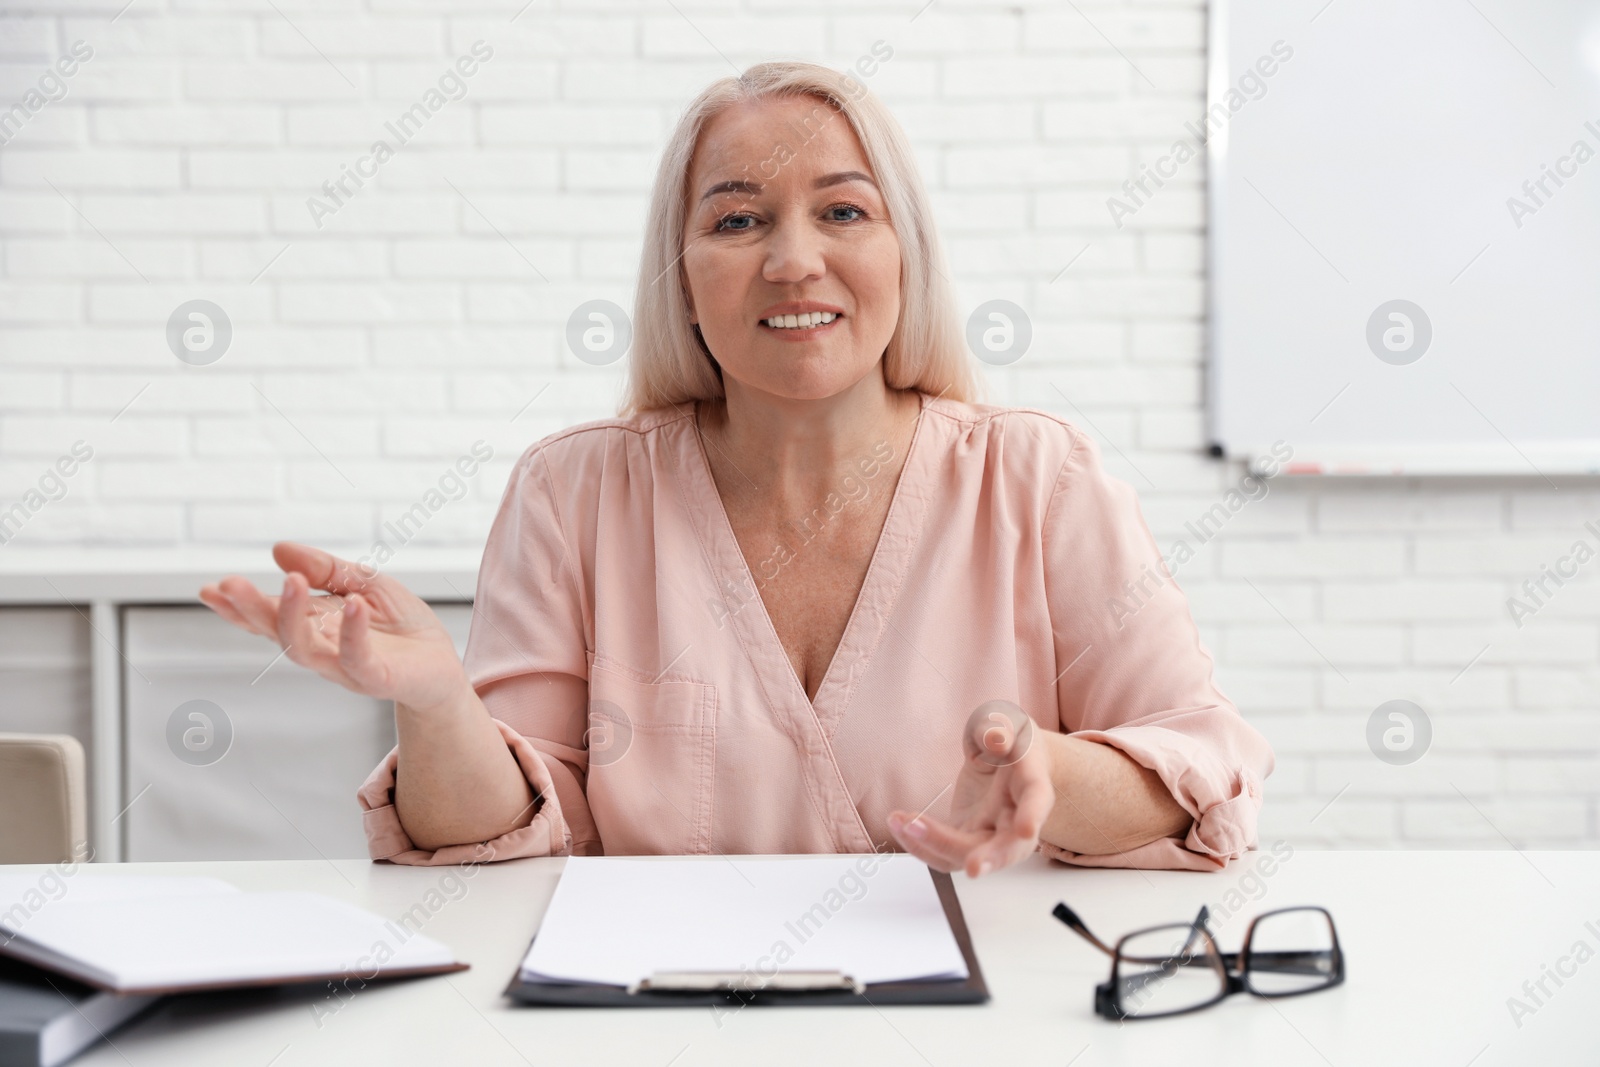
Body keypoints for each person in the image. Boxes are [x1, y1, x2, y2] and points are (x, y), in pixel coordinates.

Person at [199, 61, 1273, 878]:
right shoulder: (572, 494)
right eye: (737, 218)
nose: (793, 258)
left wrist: (1051, 770)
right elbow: (505, 841)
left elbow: (1201, 764)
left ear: (907, 251)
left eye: (844, 210)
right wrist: (436, 703)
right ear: (683, 272)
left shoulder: (1039, 477)